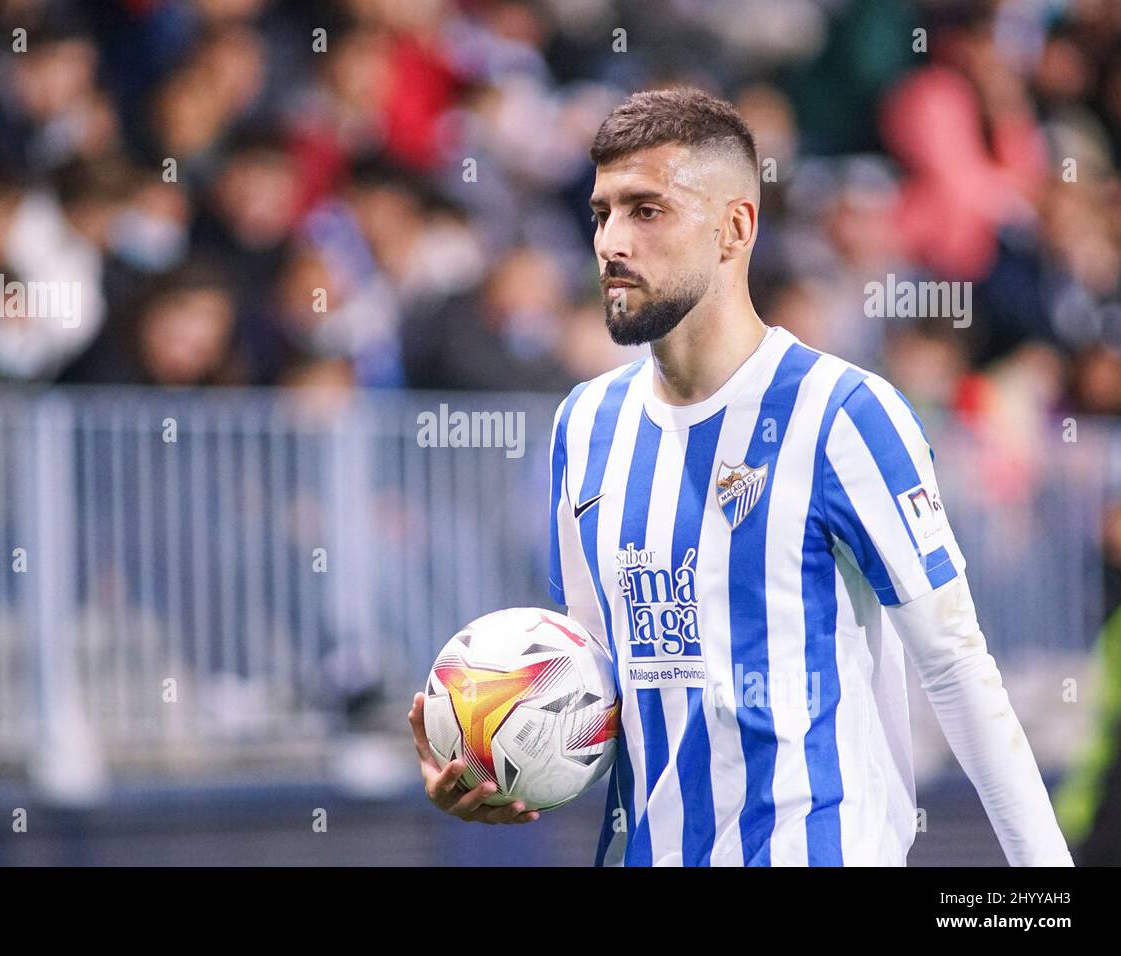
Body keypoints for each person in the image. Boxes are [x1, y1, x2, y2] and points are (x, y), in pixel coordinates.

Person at [408, 87, 1074, 866]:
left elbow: (957, 667)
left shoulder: (843, 414)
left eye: (647, 210)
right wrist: (499, 760)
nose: (612, 242)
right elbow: (602, 686)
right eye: (602, 213)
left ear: (735, 228)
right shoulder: (584, 424)